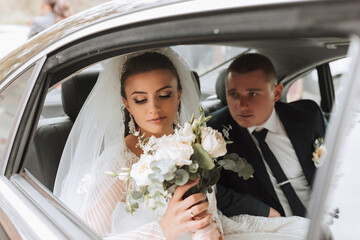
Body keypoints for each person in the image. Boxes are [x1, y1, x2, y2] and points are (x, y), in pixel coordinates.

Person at [54, 48, 311, 240]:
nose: (154, 108)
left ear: (178, 95)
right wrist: (162, 230)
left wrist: (213, 228)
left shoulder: (192, 146)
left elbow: (211, 212)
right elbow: (81, 236)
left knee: (308, 230)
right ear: (127, 104)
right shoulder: (118, 164)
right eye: (140, 99)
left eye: (164, 95)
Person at [208, 53, 327, 219]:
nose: (241, 106)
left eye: (253, 94)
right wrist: (261, 211)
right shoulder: (212, 133)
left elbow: (339, 165)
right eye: (234, 94)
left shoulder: (308, 116)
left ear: (277, 93)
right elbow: (206, 188)